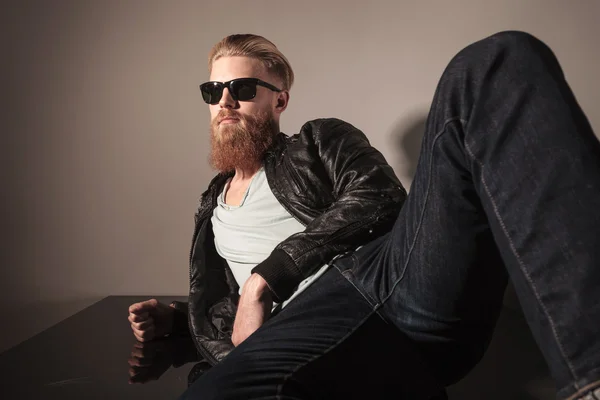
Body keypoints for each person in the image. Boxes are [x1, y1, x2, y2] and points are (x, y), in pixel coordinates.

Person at [128, 31, 600, 400]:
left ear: (280, 99)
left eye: (242, 88)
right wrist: (179, 317)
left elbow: (379, 197)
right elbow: (233, 313)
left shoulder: (319, 141)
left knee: (496, 62)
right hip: (305, 341)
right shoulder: (212, 208)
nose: (225, 101)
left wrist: (266, 277)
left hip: (390, 286)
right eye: (214, 90)